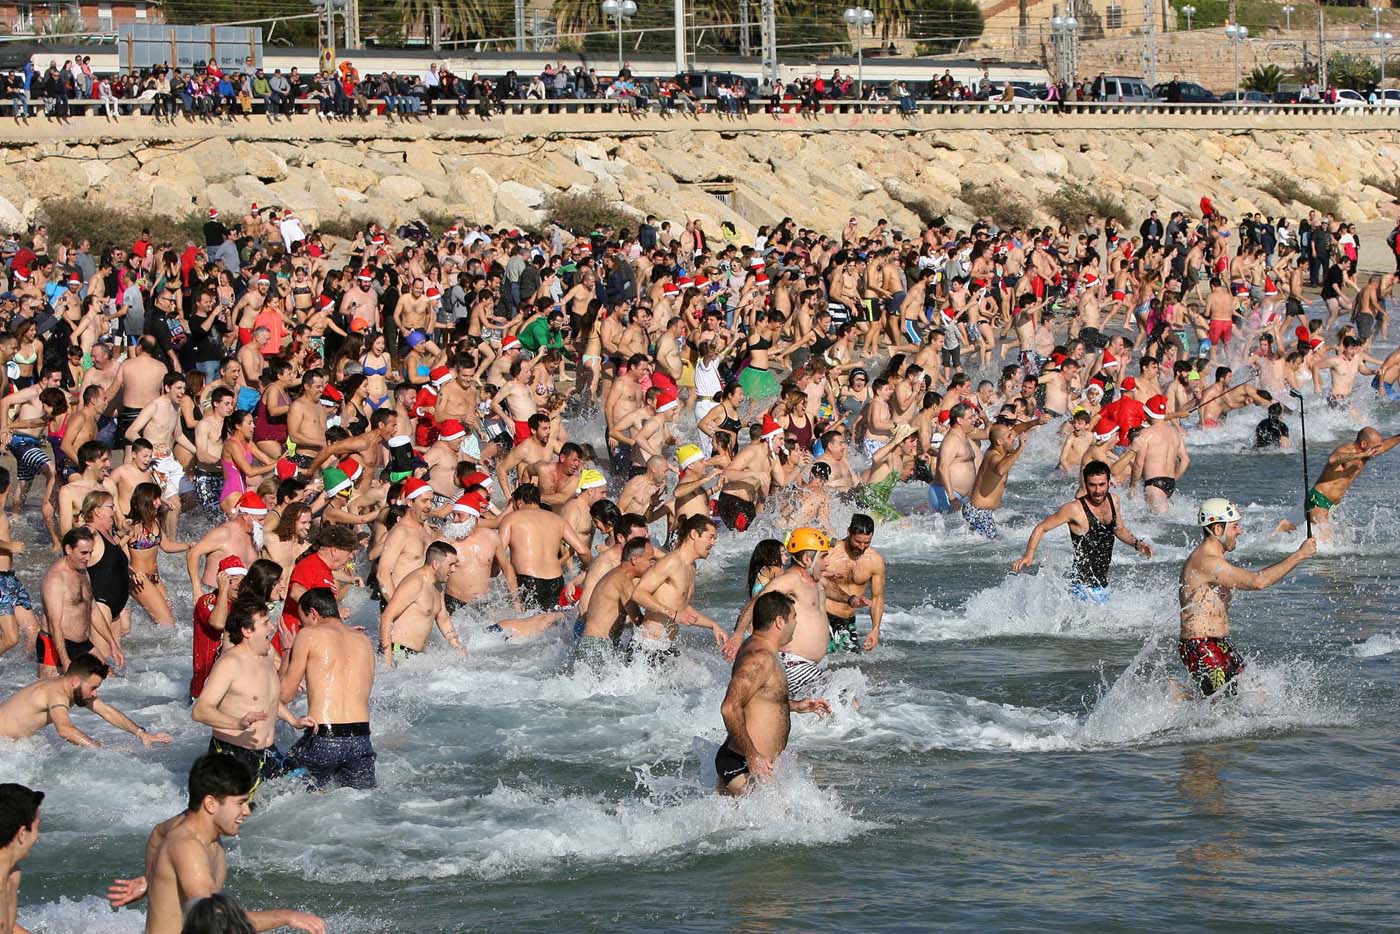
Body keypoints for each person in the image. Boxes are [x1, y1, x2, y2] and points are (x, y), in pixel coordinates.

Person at [107, 754, 326, 934]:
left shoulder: (186, 825)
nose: (246, 811)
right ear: (210, 803)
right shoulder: (187, 847)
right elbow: (215, 917)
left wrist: (152, 877)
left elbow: (157, 833)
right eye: (240, 803)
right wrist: (286, 916)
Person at [1178, 499, 1315, 697]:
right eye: (1235, 526)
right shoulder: (1206, 561)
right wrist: (1299, 555)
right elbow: (1256, 581)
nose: (1240, 531)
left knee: (1254, 694)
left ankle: (1183, 696)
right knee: (1223, 707)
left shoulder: (1215, 559)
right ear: (1217, 529)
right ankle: (1176, 696)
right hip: (1201, 646)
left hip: (1218, 643)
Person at [715, 590, 831, 795]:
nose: (796, 623)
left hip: (752, 765)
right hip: (744, 766)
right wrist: (753, 756)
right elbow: (729, 708)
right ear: (779, 621)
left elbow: (759, 699)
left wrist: (795, 705)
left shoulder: (763, 650)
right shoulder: (759, 657)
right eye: (794, 617)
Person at [192, 604, 314, 797]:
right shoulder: (230, 663)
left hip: (267, 752)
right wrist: (237, 723)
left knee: (309, 792)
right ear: (247, 631)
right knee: (240, 818)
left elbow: (268, 699)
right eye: (265, 623)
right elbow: (200, 710)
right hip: (233, 756)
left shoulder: (266, 655)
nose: (272, 627)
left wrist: (293, 720)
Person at [1011, 460, 1153, 602]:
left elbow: (1119, 529)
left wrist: (1137, 544)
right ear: (1085, 484)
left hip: (1101, 585)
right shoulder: (1074, 509)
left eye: (1102, 484)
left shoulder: (1113, 500)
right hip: (1082, 586)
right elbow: (1041, 527)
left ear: (1109, 482)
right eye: (1092, 485)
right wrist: (1028, 555)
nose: (1097, 491)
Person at [280, 588, 377, 790]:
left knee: (283, 783)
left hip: (324, 739)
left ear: (313, 613)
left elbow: (284, 695)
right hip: (361, 740)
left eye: (302, 620)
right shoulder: (364, 641)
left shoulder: (308, 635)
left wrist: (287, 651)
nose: (301, 626)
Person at [725, 527, 833, 699]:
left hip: (806, 665)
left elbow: (834, 591)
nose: (827, 562)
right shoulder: (791, 579)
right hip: (792, 662)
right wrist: (738, 634)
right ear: (807, 559)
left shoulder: (816, 582)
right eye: (823, 557)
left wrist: (851, 600)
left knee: (819, 709)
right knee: (843, 697)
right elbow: (757, 602)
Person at [0, 653, 172, 747]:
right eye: (93, 688)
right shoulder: (56, 693)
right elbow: (65, 730)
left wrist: (142, 734)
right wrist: (103, 751)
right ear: (75, 681)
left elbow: (106, 710)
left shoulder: (73, 688)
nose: (94, 694)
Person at [630, 514, 726, 656]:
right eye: (710, 537)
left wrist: (713, 625)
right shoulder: (671, 561)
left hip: (665, 646)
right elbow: (638, 593)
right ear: (694, 534)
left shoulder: (691, 567)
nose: (713, 543)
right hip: (647, 646)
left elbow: (682, 607)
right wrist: (674, 615)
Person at [496, 483, 592, 610]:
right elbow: (583, 551)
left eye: (513, 505)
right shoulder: (558, 520)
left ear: (519, 502)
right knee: (548, 622)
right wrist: (586, 570)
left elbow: (499, 553)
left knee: (526, 622)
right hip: (555, 582)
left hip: (527, 581)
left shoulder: (510, 519)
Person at [574, 535, 654, 672]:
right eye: (650, 560)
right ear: (634, 560)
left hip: (597, 644)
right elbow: (637, 618)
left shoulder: (617, 574)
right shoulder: (622, 579)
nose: (652, 564)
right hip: (596, 646)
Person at [1299, 428, 1400, 537]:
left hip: (1331, 505)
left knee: (1330, 539)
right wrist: (1360, 455)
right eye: (1375, 447)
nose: (1378, 450)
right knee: (1325, 542)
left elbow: (1385, 445)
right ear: (1364, 444)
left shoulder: (1367, 453)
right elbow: (1332, 459)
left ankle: (1288, 527)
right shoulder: (1346, 450)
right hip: (1318, 500)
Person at [379, 540, 466, 665]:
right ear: (436, 564)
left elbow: (443, 618)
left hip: (416, 656)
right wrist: (387, 659)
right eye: (451, 564)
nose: (453, 569)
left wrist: (459, 647)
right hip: (398, 651)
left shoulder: (438, 587)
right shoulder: (415, 582)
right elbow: (387, 617)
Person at [820, 514, 887, 652]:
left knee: (851, 665)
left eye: (867, 542)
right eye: (858, 542)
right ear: (849, 532)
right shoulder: (828, 554)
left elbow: (877, 598)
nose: (862, 547)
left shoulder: (875, 560)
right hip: (823, 617)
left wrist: (875, 630)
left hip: (848, 622)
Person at [0, 783, 43, 934]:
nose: (37, 838)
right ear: (22, 833)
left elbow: (8, 928)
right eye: (37, 828)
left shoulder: (12, 875)